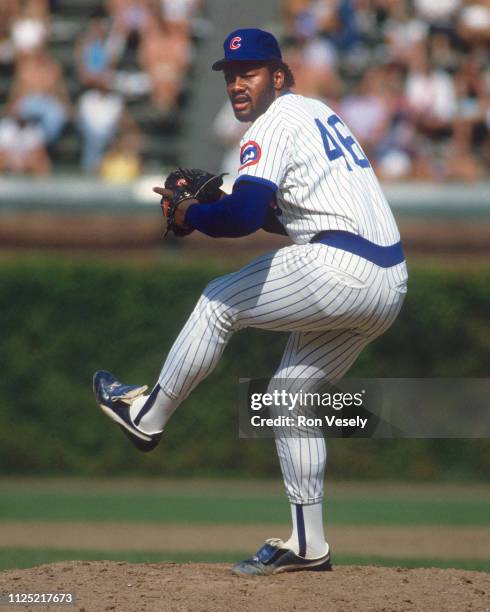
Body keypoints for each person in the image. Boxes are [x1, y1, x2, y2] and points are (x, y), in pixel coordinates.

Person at [93, 28, 408, 576]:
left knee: (218, 301)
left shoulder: (272, 123)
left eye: (252, 71)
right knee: (289, 395)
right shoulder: (315, 114)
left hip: (339, 267)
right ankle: (309, 544)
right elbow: (279, 214)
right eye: (231, 74)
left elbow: (240, 220)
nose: (238, 83)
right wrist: (217, 197)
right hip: (389, 283)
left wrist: (192, 214)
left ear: (279, 76)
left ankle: (147, 414)